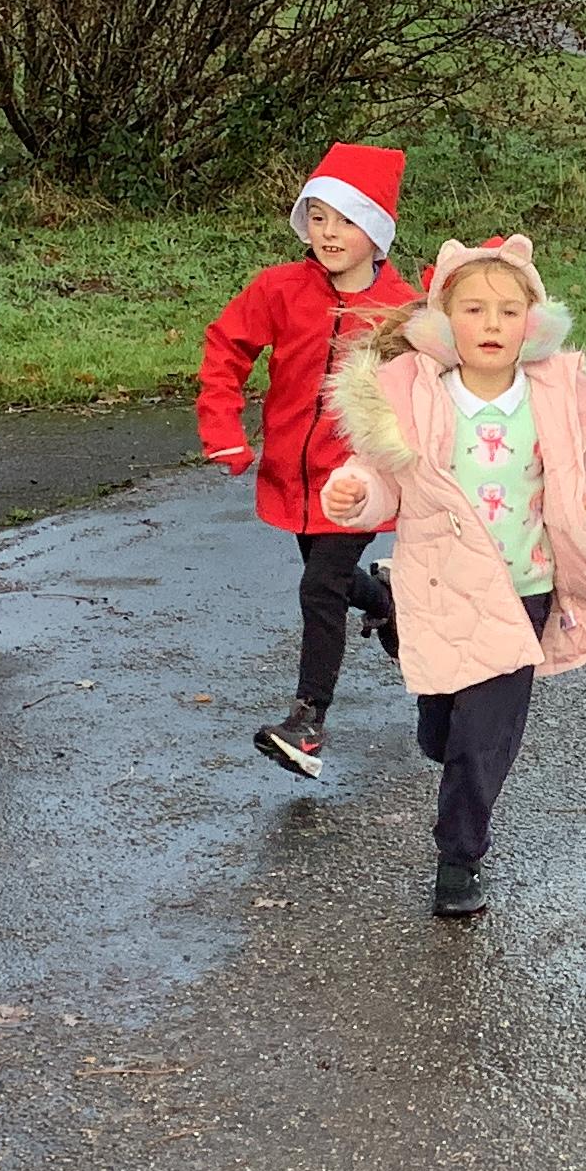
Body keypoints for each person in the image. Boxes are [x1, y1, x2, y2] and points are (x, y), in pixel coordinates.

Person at [323, 237, 586, 919]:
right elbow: (382, 477)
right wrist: (354, 493)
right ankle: (424, 690)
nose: (491, 324)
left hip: (523, 588)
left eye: (508, 310)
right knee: (443, 732)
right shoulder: (415, 395)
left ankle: (458, 859)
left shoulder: (556, 396)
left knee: (484, 739)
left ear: (534, 321)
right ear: (445, 321)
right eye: (473, 309)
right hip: (439, 586)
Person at [198, 145, 417, 779]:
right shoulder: (280, 288)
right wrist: (223, 430)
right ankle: (384, 600)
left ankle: (307, 722)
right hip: (293, 476)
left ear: (376, 229)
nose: (328, 233)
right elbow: (226, 349)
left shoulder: (401, 310)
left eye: (346, 220)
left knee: (319, 587)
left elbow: (433, 392)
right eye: (317, 217)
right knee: (332, 581)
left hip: (360, 482)